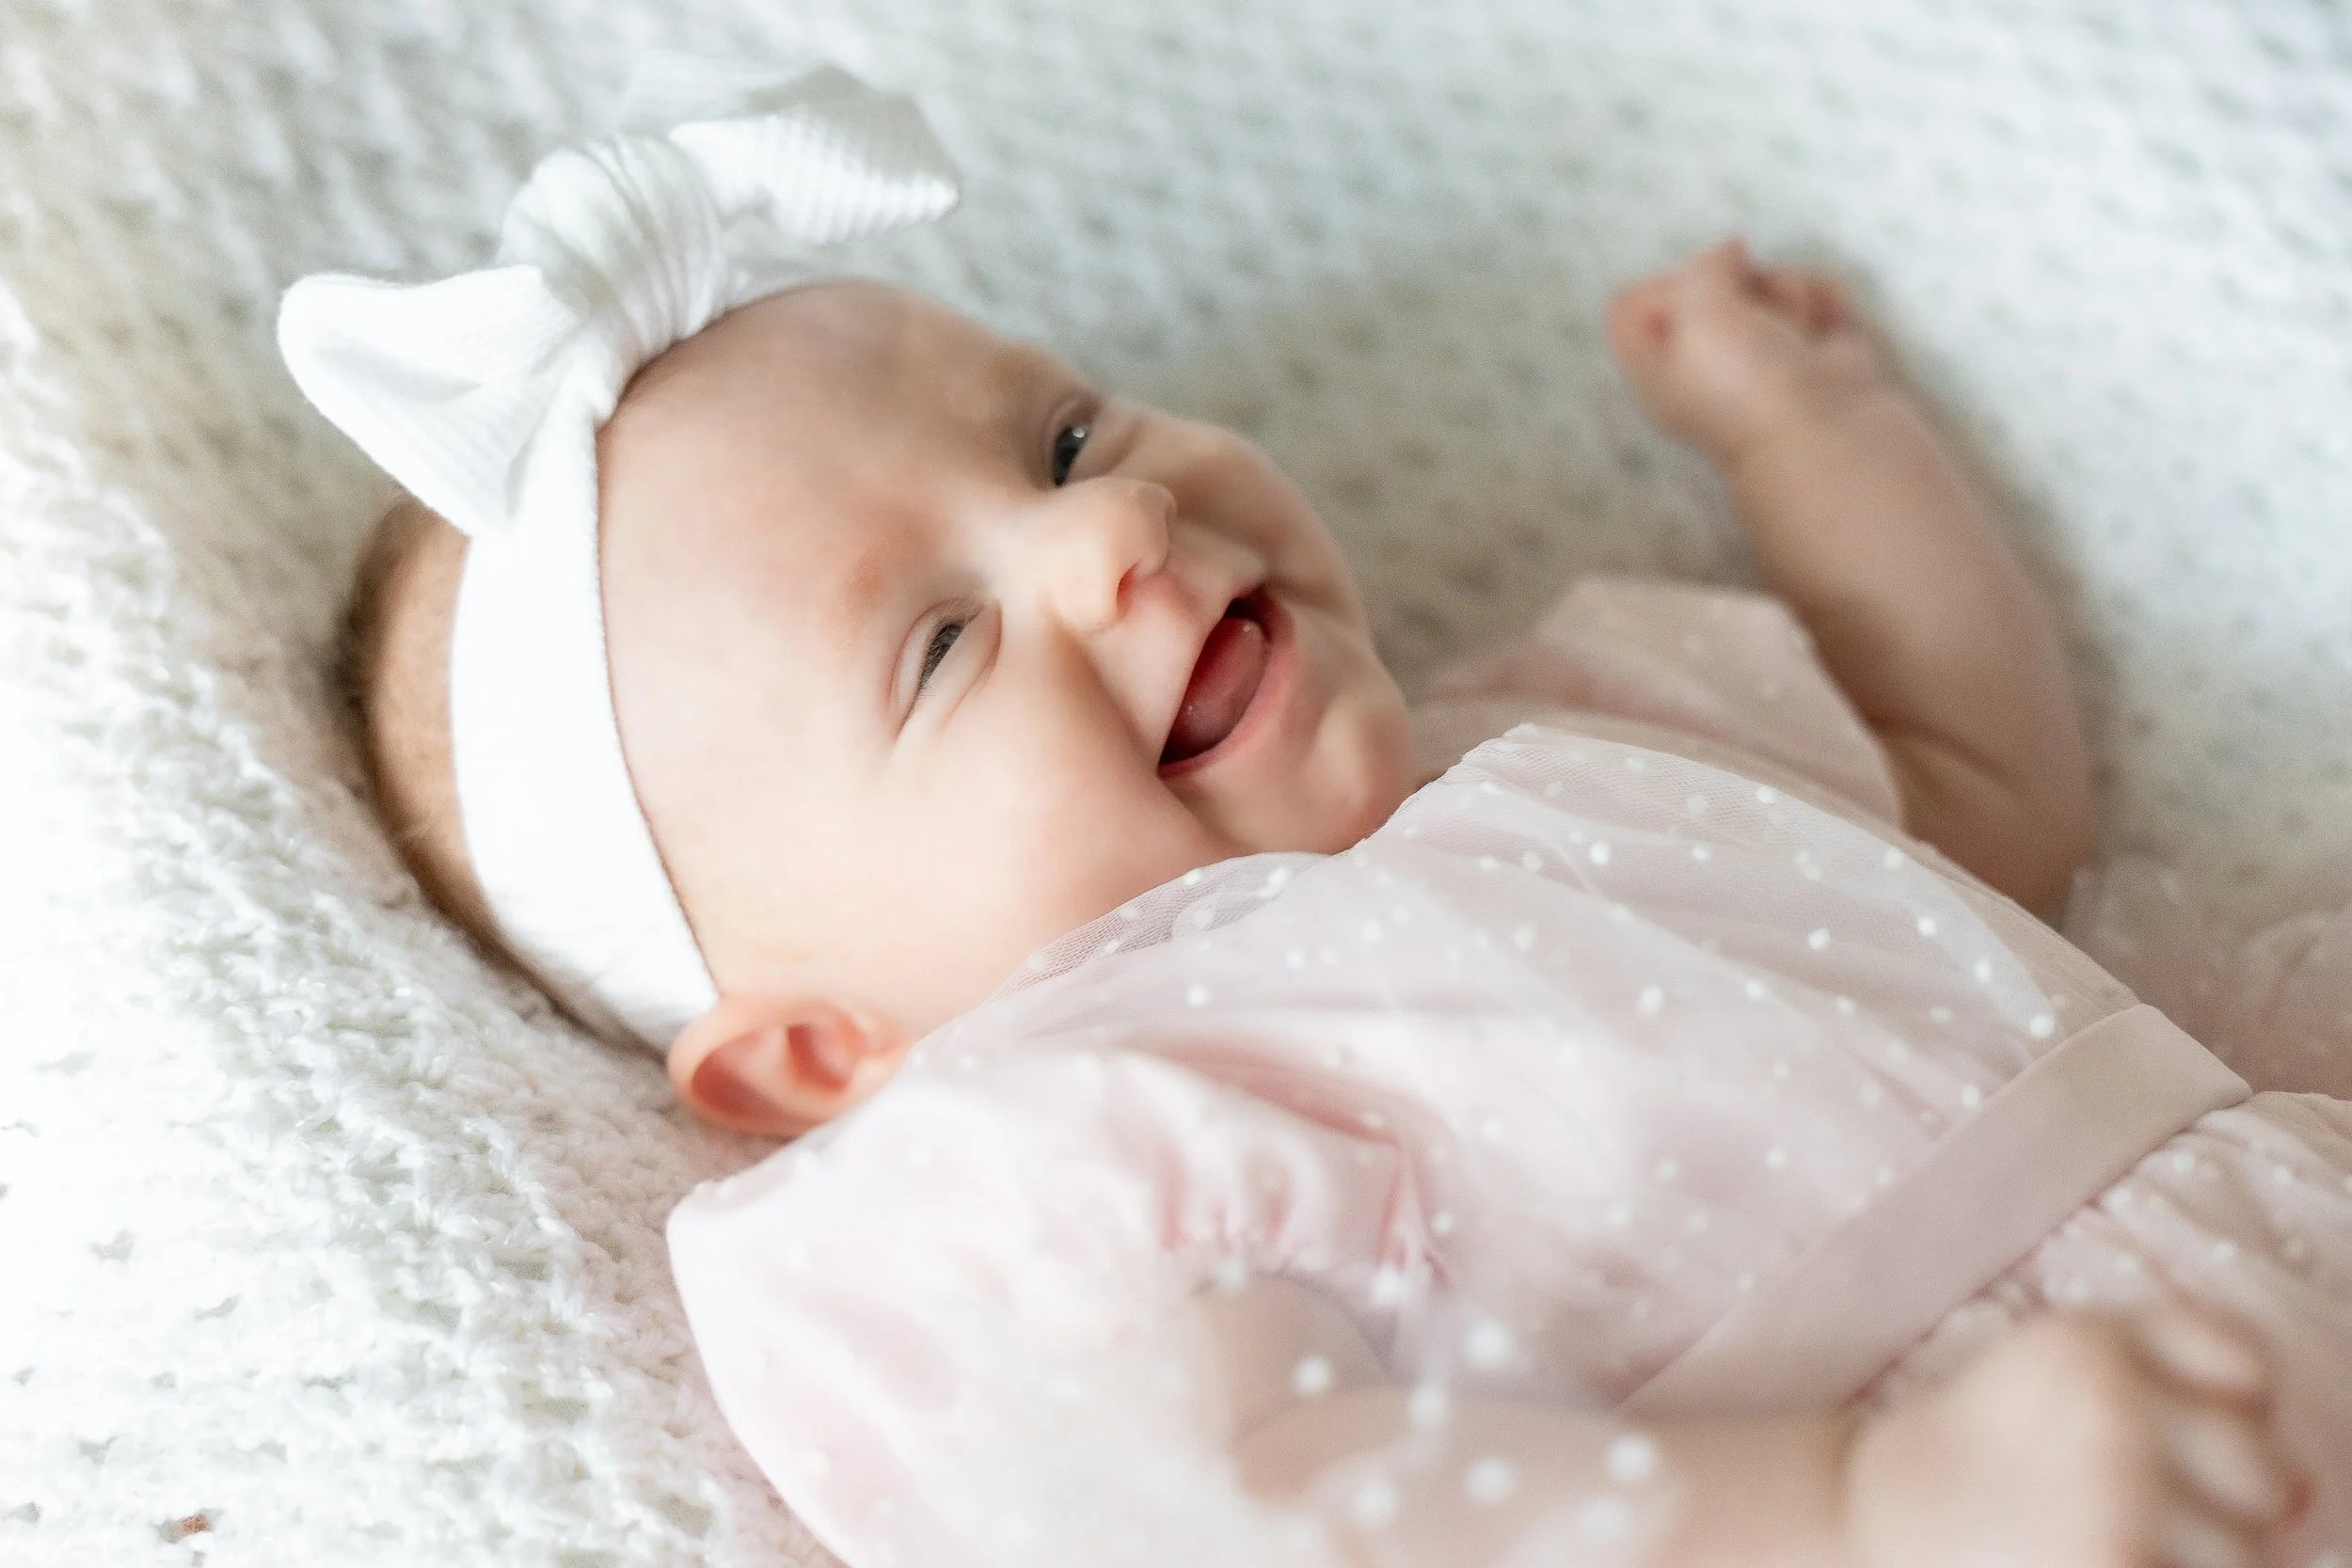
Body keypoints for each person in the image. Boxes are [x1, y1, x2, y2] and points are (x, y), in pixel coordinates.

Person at [292, 56, 2343, 1568]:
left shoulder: (1568, 743)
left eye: (1063, 429)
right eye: (932, 646)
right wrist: (1863, 1503)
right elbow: (1255, 1509)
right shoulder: (1082, 1127)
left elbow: (1974, 791)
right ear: (827, 1044)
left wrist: (1812, 432)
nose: (1102, 526)